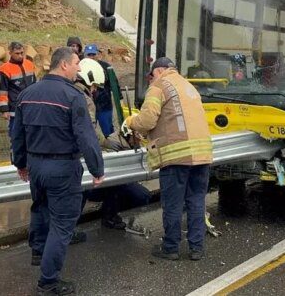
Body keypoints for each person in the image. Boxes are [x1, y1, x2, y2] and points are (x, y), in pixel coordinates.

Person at [12, 47, 105, 296]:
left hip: (35, 166)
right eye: (76, 63)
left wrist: (20, 163)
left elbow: (17, 134)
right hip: (62, 167)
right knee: (62, 225)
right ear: (63, 65)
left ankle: (38, 251)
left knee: (40, 209)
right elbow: (86, 137)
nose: (79, 68)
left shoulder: (27, 94)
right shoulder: (72, 96)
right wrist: (97, 169)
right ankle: (49, 282)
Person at [122, 57, 213, 261]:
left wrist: (130, 121)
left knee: (172, 203)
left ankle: (170, 247)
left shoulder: (160, 85)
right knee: (196, 201)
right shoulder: (188, 86)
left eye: (152, 74)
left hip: (176, 156)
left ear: (160, 70)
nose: (151, 79)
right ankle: (196, 248)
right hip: (202, 155)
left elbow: (146, 120)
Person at [75, 58, 150, 232]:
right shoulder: (82, 99)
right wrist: (106, 142)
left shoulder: (67, 93)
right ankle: (73, 227)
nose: (94, 91)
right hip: (80, 162)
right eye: (93, 86)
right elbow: (90, 132)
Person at [0, 42, 37, 141]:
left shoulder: (29, 64)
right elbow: (2, 91)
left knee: (31, 137)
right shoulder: (4, 69)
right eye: (17, 53)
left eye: (22, 53)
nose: (20, 56)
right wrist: (4, 110)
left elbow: (35, 85)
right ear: (10, 53)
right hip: (14, 109)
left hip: (31, 107)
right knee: (16, 138)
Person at [84, 44, 116, 137]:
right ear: (85, 56)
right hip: (88, 107)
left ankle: (115, 149)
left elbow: (114, 84)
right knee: (88, 132)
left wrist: (120, 99)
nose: (91, 57)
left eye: (93, 55)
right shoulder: (81, 68)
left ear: (98, 54)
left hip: (104, 106)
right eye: (89, 55)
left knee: (109, 132)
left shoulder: (106, 67)